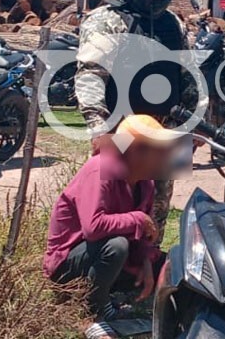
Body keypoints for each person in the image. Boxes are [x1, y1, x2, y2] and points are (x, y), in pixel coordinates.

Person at [75, 0, 191, 246]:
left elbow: (187, 76)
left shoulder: (173, 24)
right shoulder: (105, 21)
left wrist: (191, 127)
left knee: (159, 206)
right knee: (117, 207)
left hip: (164, 131)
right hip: (120, 131)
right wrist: (98, 128)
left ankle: (149, 274)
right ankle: (113, 283)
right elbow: (90, 74)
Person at [43, 115, 179, 338]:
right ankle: (93, 314)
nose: (163, 158)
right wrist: (136, 218)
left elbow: (143, 234)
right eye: (158, 150)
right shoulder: (100, 169)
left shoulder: (145, 182)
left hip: (107, 260)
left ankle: (115, 298)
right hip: (69, 263)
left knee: (169, 263)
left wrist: (146, 260)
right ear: (136, 151)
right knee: (116, 246)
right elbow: (93, 227)